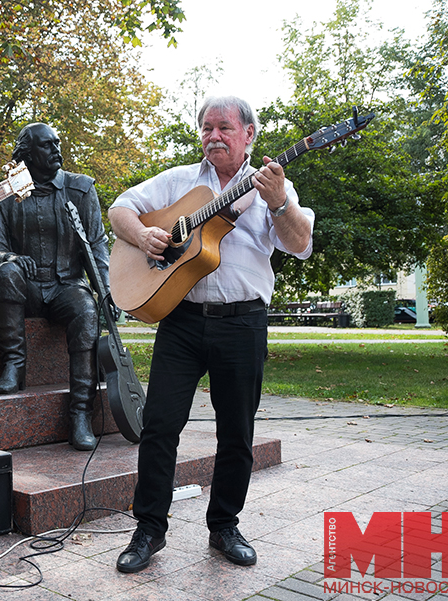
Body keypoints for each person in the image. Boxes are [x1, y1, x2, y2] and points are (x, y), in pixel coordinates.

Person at [109, 96, 314, 572]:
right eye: (207, 127)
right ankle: (148, 530)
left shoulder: (271, 187)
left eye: (224, 127)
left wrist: (279, 201)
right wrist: (143, 236)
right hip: (181, 321)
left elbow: (301, 244)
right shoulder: (180, 181)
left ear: (249, 136)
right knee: (159, 426)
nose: (213, 136)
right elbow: (120, 208)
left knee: (237, 432)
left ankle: (224, 525)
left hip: (242, 322)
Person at [0, 123, 110, 451]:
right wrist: (9, 257)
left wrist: (106, 291)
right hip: (27, 291)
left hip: (66, 287)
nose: (56, 150)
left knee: (86, 309)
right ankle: (14, 364)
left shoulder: (81, 189)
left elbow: (96, 245)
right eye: (47, 146)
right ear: (28, 154)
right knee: (7, 272)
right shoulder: (5, 195)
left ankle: (80, 414)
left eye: (57, 143)